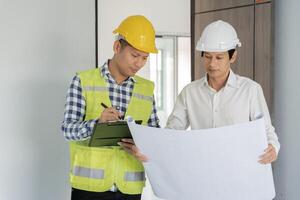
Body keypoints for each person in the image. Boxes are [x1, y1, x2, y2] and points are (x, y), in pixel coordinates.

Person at [61, 15, 160, 200]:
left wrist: (144, 147)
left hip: (130, 190)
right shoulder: (83, 81)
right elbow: (67, 130)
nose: (139, 63)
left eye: (144, 58)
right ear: (117, 47)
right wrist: (97, 123)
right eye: (135, 55)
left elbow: (156, 136)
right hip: (90, 190)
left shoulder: (147, 90)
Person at [165, 20, 280, 164]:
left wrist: (273, 147)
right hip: (202, 170)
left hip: (239, 171)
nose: (212, 64)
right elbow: (172, 131)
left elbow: (266, 131)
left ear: (232, 57)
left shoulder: (250, 90)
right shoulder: (190, 92)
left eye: (219, 57)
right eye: (207, 57)